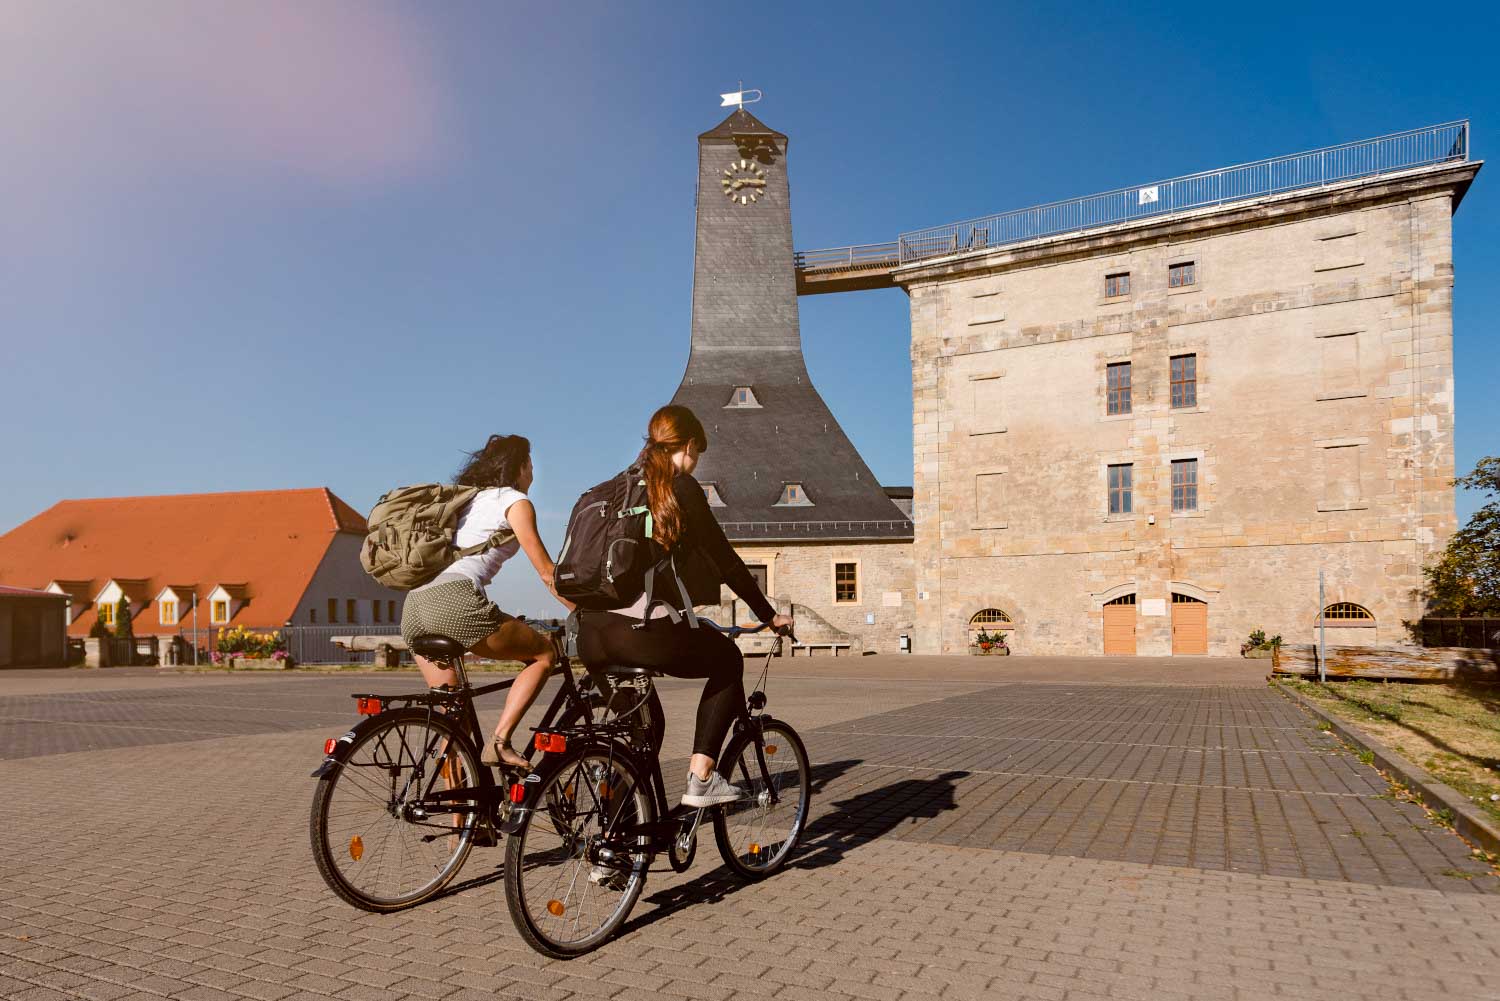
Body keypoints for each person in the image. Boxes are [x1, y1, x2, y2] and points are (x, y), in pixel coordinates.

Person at [576, 405, 794, 808]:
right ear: (690, 445)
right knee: (727, 660)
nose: (696, 463)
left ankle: (614, 851)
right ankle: (701, 779)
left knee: (643, 734)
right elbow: (725, 560)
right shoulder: (680, 488)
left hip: (589, 635)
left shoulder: (613, 488)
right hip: (638, 634)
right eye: (698, 454)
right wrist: (769, 615)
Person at [400, 434, 572, 768]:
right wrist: (580, 611)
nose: (533, 474)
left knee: (453, 726)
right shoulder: (515, 502)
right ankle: (500, 742)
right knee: (544, 653)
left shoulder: (466, 501)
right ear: (520, 467)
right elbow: (547, 573)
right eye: (531, 466)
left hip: (414, 607)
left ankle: (461, 819)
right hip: (452, 600)